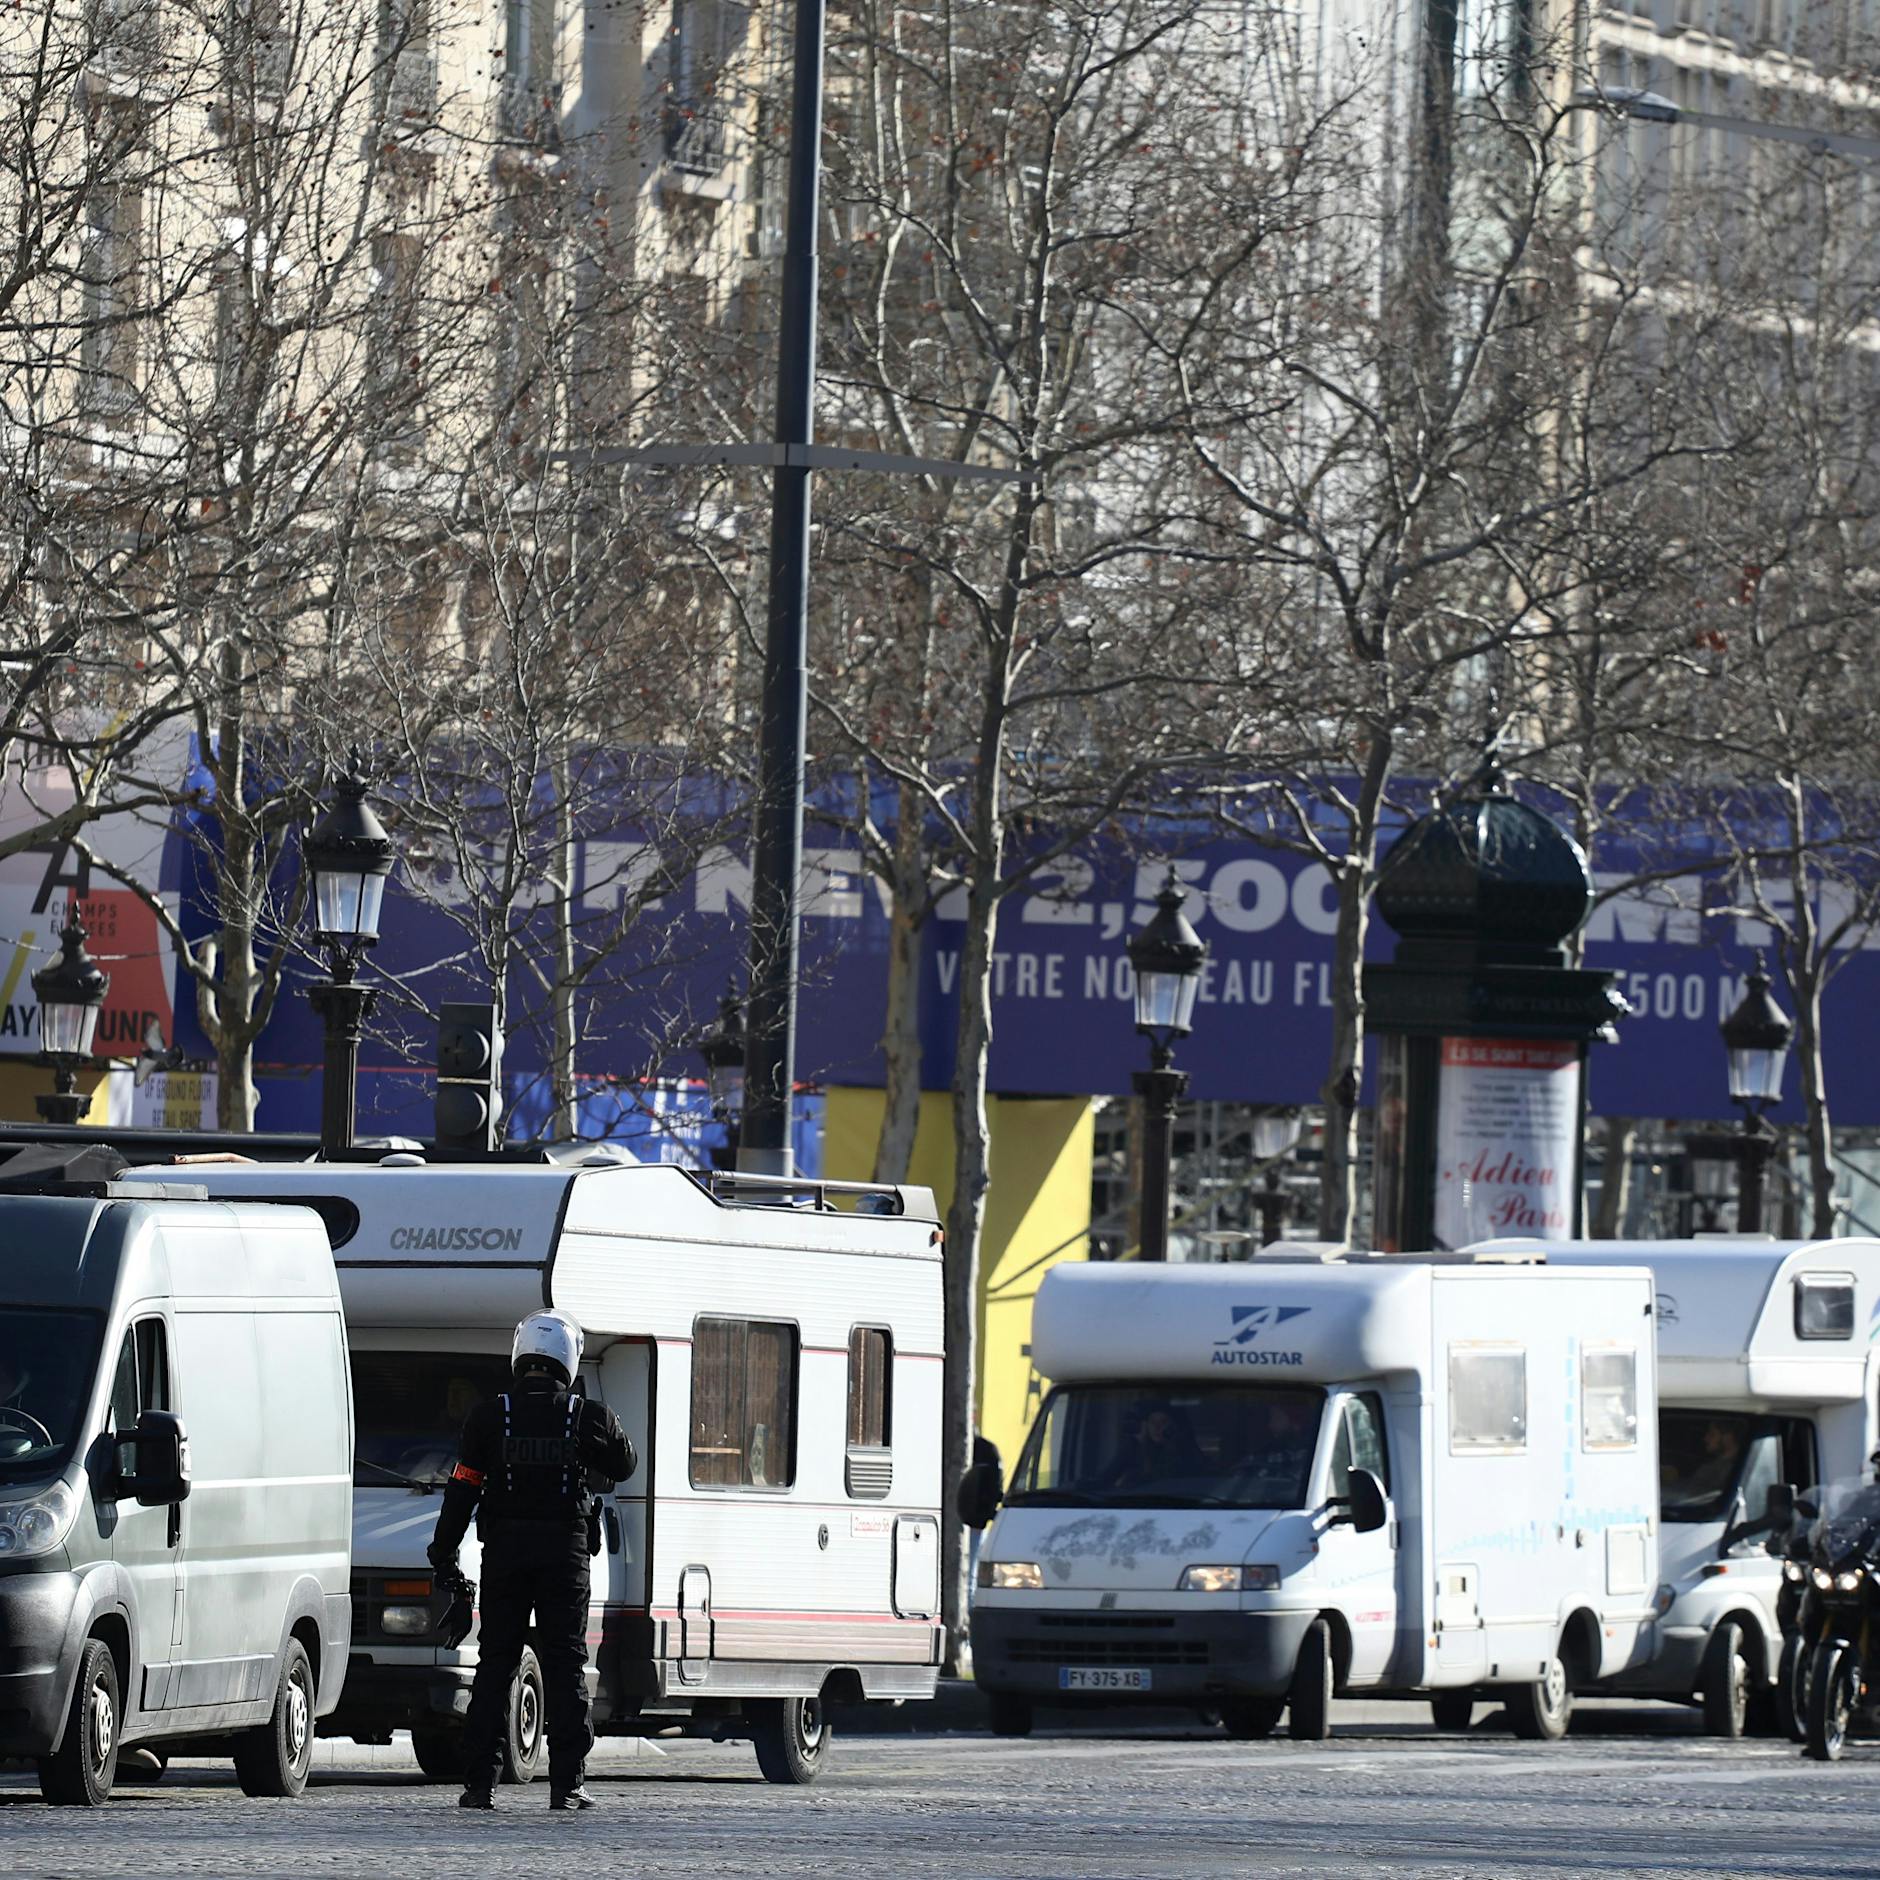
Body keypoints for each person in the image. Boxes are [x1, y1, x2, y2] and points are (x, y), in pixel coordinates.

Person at [428, 1310, 635, 1812]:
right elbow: (624, 1465)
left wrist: (444, 1554)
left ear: (520, 1355)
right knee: (565, 1664)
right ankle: (567, 1785)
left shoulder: (487, 1417)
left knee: (496, 1663)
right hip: (565, 1555)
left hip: (504, 1554)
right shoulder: (588, 1416)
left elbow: (461, 1491)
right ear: (567, 1359)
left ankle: (480, 1784)